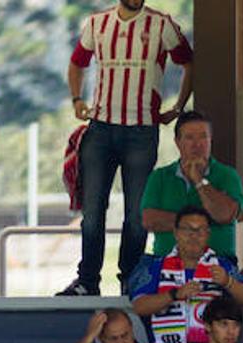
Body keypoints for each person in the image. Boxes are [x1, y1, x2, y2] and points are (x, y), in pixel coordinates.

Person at [59, 0, 192, 297]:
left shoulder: (161, 24)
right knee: (92, 210)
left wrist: (179, 106)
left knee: (136, 214)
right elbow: (77, 62)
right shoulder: (97, 23)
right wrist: (76, 99)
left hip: (142, 131)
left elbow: (188, 62)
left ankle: (131, 280)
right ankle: (88, 281)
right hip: (101, 129)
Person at [131, 206, 243, 343]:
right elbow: (139, 307)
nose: (194, 236)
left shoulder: (221, 265)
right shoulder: (156, 267)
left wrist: (228, 282)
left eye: (200, 230)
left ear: (208, 234)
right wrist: (174, 295)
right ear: (176, 233)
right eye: (187, 230)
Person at [138, 111, 243, 269]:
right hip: (166, 263)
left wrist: (199, 181)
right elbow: (149, 220)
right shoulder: (160, 176)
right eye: (189, 138)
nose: (197, 144)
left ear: (210, 140)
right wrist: (203, 223)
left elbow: (225, 215)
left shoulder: (228, 175)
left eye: (203, 137)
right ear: (177, 142)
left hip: (218, 264)